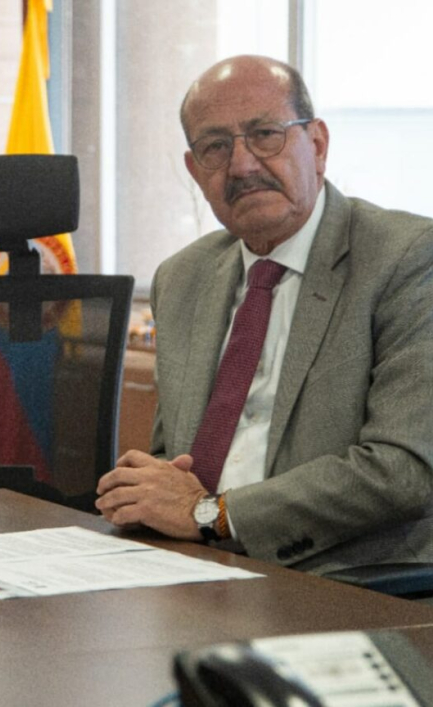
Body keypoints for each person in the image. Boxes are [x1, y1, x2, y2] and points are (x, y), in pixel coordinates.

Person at [96, 55, 433, 574]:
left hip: (346, 583)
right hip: (192, 570)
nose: (243, 165)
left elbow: (403, 469)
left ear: (317, 145)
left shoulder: (407, 258)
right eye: (215, 147)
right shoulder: (183, 277)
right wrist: (142, 491)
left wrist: (212, 515)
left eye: (265, 134)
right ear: (195, 170)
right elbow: (173, 456)